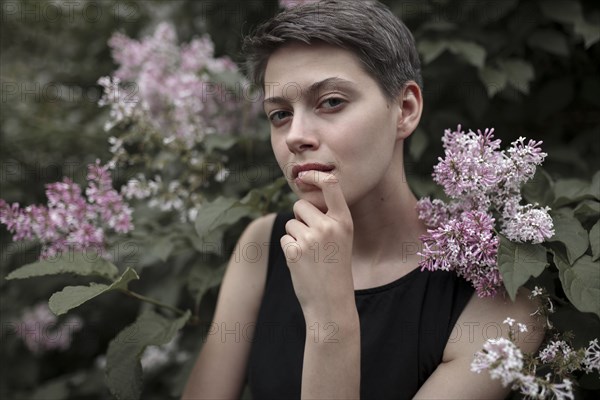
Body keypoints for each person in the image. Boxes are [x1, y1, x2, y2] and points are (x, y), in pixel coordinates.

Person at [182, 1, 544, 398]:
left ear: (405, 110)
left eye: (331, 102)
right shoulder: (263, 245)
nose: (294, 136)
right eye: (280, 114)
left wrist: (330, 321)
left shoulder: (497, 300)